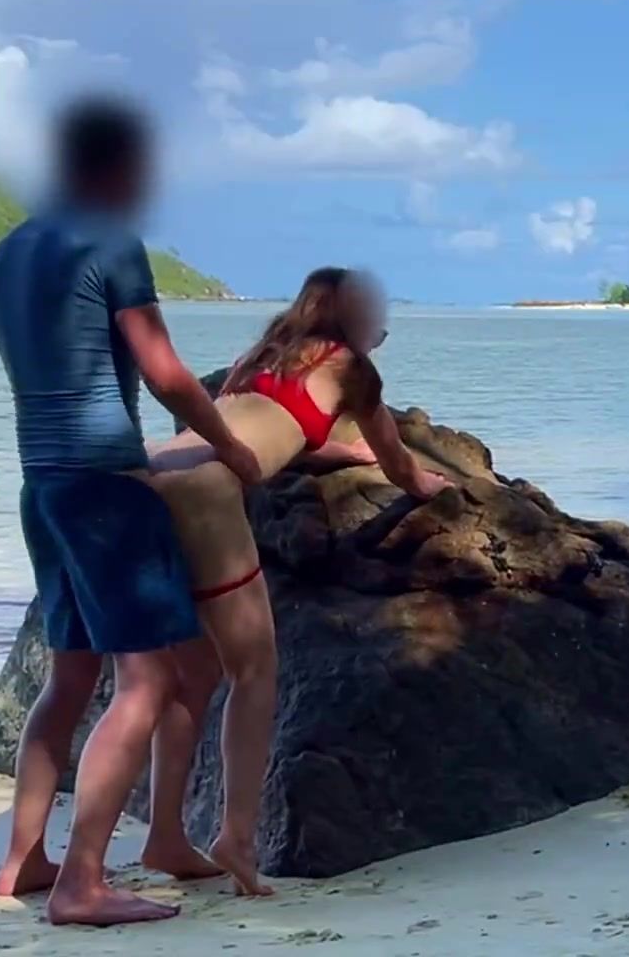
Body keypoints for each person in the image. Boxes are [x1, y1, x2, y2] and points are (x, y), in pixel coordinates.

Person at [0, 96, 265, 926]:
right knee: (148, 680)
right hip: (107, 486)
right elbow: (164, 372)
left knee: (71, 677)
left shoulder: (10, 249)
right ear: (115, 167)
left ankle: (24, 860)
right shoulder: (110, 240)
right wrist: (230, 445)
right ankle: (81, 883)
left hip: (42, 486)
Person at [141, 266, 450, 896]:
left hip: (150, 479)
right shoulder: (354, 370)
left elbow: (275, 426)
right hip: (204, 497)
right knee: (254, 670)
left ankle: (165, 832)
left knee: (189, 675)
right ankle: (237, 837)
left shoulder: (261, 356)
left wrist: (343, 452)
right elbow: (400, 464)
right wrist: (428, 485)